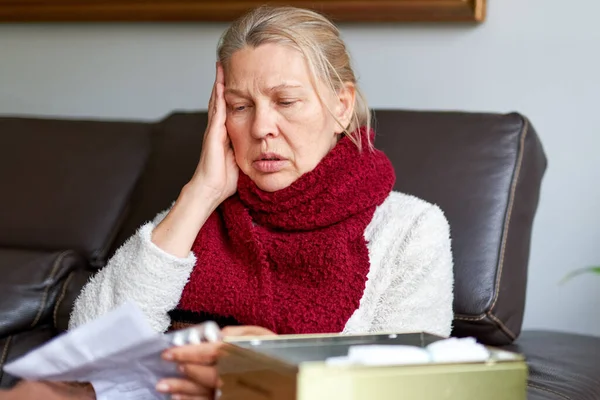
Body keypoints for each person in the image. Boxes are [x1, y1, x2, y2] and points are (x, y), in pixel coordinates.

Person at [0, 5, 454, 400]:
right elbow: (90, 340)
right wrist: (201, 193)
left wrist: (264, 369)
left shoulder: (410, 229)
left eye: (286, 101)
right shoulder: (193, 219)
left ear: (342, 104)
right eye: (239, 107)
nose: (261, 128)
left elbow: (408, 387)